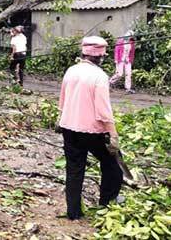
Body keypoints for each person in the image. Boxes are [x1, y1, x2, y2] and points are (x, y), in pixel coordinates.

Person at [57, 36, 123, 220]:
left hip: (69, 127)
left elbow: (63, 98)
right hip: (93, 131)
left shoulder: (71, 71)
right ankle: (106, 204)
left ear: (83, 53)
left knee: (74, 170)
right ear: (101, 57)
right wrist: (113, 133)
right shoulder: (99, 76)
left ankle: (73, 213)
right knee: (113, 165)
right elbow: (103, 111)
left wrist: (60, 117)